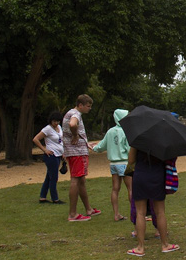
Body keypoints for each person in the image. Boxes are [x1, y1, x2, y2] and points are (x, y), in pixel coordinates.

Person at [126, 147, 178, 256]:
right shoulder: (162, 141)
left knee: (140, 212)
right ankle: (165, 244)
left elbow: (130, 160)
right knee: (160, 212)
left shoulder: (138, 139)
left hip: (140, 174)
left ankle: (140, 247)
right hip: (157, 174)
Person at [62, 94, 100, 222]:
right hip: (77, 152)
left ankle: (88, 209)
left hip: (74, 151)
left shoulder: (71, 112)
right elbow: (73, 125)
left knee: (81, 180)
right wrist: (75, 136)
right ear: (80, 105)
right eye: (88, 106)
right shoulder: (76, 114)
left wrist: (85, 143)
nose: (89, 108)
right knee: (75, 180)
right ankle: (72, 214)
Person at [92, 109, 132, 221]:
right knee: (131, 188)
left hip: (113, 164)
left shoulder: (110, 131)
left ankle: (116, 214)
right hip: (124, 163)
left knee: (115, 189)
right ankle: (137, 213)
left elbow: (101, 146)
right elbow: (129, 149)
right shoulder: (126, 131)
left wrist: (93, 147)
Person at [32, 111, 65, 204]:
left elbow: (60, 140)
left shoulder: (59, 127)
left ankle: (42, 197)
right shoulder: (47, 129)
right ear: (51, 120)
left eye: (58, 121)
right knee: (54, 177)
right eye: (54, 121)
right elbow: (36, 139)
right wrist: (44, 150)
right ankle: (55, 198)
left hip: (58, 154)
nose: (56, 123)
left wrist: (63, 152)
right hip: (51, 155)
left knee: (49, 177)